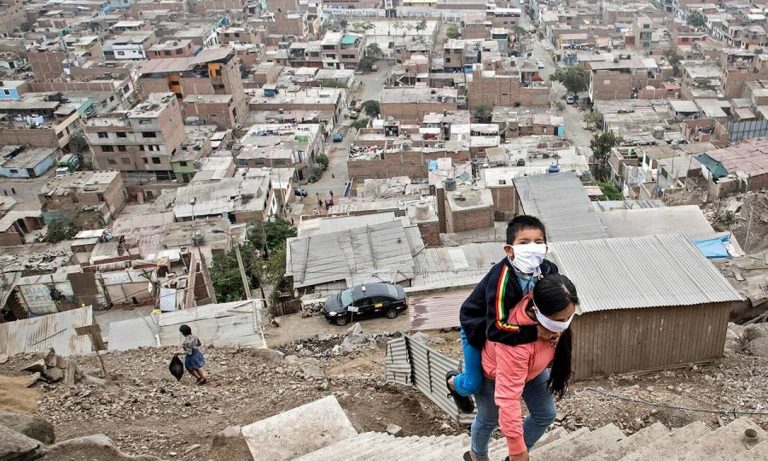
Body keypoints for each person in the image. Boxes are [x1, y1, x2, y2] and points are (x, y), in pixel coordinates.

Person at [446, 216, 558, 413]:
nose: (532, 248)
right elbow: (495, 329)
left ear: (545, 247)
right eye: (524, 243)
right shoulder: (502, 280)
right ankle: (454, 383)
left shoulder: (548, 271)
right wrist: (537, 332)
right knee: (473, 383)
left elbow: (557, 304)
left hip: (513, 324)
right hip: (479, 326)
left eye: (538, 242)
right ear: (509, 250)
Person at [467, 273, 577, 461]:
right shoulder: (514, 342)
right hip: (494, 375)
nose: (564, 325)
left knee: (545, 414)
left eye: (568, 318)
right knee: (488, 419)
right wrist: (517, 450)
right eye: (558, 321)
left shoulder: (550, 318)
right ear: (537, 310)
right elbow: (509, 398)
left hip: (530, 372)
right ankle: (477, 455)